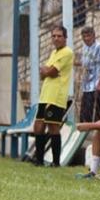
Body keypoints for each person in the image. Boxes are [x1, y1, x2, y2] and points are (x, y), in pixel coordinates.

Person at [32, 26, 74, 167]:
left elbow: (50, 71)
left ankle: (55, 162)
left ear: (65, 38)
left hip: (56, 96)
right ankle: (38, 160)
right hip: (45, 95)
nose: (56, 38)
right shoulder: (54, 53)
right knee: (38, 127)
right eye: (54, 36)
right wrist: (46, 71)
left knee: (53, 127)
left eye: (59, 36)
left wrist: (46, 70)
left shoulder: (67, 52)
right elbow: (44, 74)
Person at [76, 27, 100, 123]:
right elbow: (85, 63)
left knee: (97, 110)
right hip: (87, 85)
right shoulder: (84, 48)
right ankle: (84, 131)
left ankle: (97, 131)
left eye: (88, 36)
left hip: (97, 84)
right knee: (85, 111)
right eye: (84, 36)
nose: (86, 38)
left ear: (94, 36)